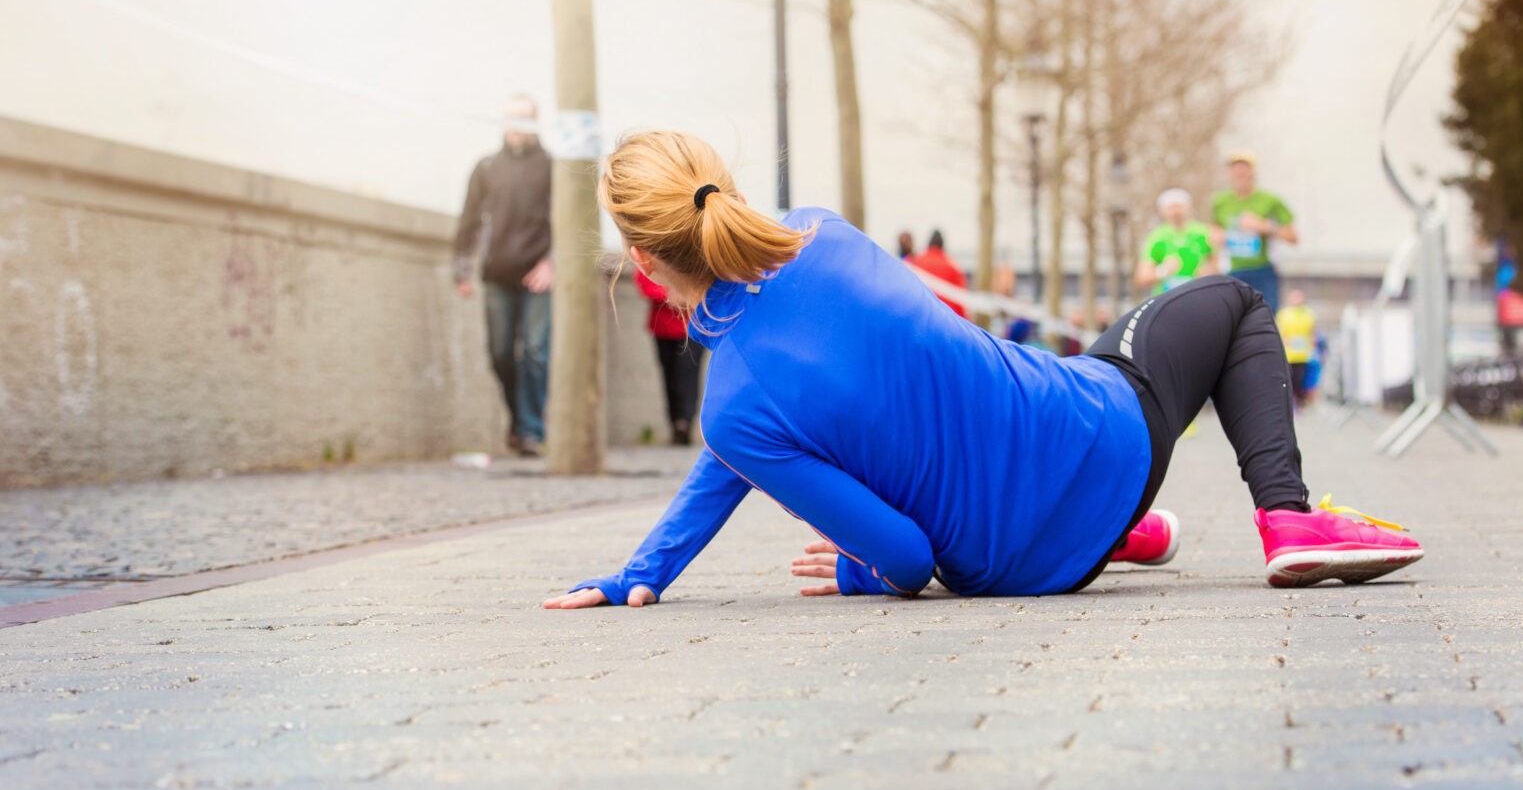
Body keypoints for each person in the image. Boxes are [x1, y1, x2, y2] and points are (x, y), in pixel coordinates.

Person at [544, 131, 1423, 611]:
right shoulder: (825, 232)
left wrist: (646, 570)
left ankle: (1126, 533)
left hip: (1014, 567)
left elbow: (904, 556)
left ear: (639, 258)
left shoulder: (733, 411)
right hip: (1103, 441)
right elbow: (744, 440)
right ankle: (1288, 519)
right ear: (724, 189)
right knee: (1233, 301)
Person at [453, 95, 553, 457]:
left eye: (525, 119)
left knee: (536, 352)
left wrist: (551, 263)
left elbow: (570, 221)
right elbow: (469, 219)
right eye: (511, 118)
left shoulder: (552, 166)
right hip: (496, 274)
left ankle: (530, 430)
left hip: (538, 274)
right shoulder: (487, 166)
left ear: (535, 122)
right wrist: (462, 269)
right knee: (499, 353)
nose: (517, 126)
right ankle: (518, 419)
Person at [1211, 150, 1297, 313]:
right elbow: (1214, 231)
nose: (1240, 173)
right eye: (1235, 169)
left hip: (1264, 271)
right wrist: (1216, 237)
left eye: (1245, 168)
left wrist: (1266, 227)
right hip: (1233, 271)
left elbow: (1293, 237)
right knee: (1234, 323)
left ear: (1253, 171)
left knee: (1265, 319)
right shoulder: (1220, 201)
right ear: (1230, 173)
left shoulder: (1270, 200)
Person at [634, 265, 705, 445]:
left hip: (692, 324)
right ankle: (675, 422)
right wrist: (666, 294)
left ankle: (684, 422)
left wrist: (687, 294)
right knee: (670, 375)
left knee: (688, 374)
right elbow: (642, 276)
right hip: (663, 324)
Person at [1135, 188, 1216, 295]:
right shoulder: (1156, 237)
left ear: (1189, 207)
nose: (1176, 211)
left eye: (1180, 206)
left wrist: (1209, 271)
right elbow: (1141, 278)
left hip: (1199, 296)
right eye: (1171, 207)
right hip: (1167, 300)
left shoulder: (1204, 232)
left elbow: (1218, 261)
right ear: (1162, 211)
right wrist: (1162, 271)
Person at [905, 230, 969, 319]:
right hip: (945, 321)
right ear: (942, 246)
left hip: (921, 317)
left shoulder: (915, 263)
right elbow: (960, 301)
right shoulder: (953, 267)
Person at [1276, 289, 1317, 409]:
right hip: (1289, 353)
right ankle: (1290, 402)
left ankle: (1300, 402)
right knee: (1289, 379)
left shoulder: (1308, 314)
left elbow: (1311, 332)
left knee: (1301, 379)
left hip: (1303, 353)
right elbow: (1281, 332)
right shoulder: (1284, 314)